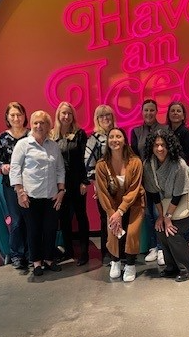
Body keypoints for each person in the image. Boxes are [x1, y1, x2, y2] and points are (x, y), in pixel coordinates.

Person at [142, 129, 189, 282]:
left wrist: (167, 217)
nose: (160, 149)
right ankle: (172, 267)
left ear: (170, 146)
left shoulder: (179, 165)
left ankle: (188, 269)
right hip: (170, 205)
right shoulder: (148, 165)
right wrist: (161, 217)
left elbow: (178, 194)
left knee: (173, 231)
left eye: (163, 145)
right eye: (156, 145)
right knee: (161, 230)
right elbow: (154, 194)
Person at [10, 110, 66, 277]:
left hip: (51, 196)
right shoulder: (23, 145)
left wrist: (62, 190)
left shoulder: (53, 146)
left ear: (49, 126)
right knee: (33, 230)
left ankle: (49, 258)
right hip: (30, 197)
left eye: (43, 123)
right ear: (31, 124)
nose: (39, 126)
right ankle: (36, 262)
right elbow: (15, 169)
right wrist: (20, 192)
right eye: (36, 123)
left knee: (50, 229)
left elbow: (60, 169)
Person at [94, 128, 145, 282]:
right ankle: (115, 261)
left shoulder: (135, 162)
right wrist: (112, 213)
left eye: (118, 136)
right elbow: (102, 192)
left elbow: (134, 189)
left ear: (124, 140)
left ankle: (130, 264)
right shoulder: (101, 165)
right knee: (113, 231)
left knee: (131, 233)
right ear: (107, 141)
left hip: (135, 203)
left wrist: (121, 211)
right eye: (111, 137)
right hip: (113, 205)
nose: (115, 140)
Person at [51, 101, 90, 266]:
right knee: (64, 218)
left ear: (73, 116)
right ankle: (68, 251)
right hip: (59, 185)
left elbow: (85, 159)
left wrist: (84, 181)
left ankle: (84, 252)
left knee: (81, 216)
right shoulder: (52, 135)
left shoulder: (80, 134)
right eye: (63, 113)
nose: (66, 116)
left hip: (77, 182)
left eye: (69, 113)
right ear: (58, 115)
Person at [131, 99, 167, 266]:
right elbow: (133, 157)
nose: (149, 113)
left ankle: (161, 248)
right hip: (143, 179)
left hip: (161, 179)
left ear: (156, 111)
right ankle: (153, 246)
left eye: (152, 110)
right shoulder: (136, 131)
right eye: (146, 110)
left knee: (158, 212)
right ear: (142, 111)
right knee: (147, 214)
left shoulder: (165, 129)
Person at [0, 101, 30, 270]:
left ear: (24, 116)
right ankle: (17, 254)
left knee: (30, 219)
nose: (16, 118)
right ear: (7, 118)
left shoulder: (31, 135)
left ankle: (32, 253)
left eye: (19, 114)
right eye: (12, 115)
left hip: (31, 185)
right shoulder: (2, 138)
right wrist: (3, 167)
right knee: (16, 220)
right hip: (10, 185)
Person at [85, 104, 117, 264]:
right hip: (104, 187)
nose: (105, 118)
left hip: (120, 186)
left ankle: (120, 252)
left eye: (108, 115)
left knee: (119, 218)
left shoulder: (117, 135)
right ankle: (107, 253)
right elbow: (88, 164)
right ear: (97, 119)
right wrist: (98, 185)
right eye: (101, 116)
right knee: (106, 220)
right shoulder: (94, 139)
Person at [166, 101, 189, 165]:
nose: (175, 113)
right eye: (172, 111)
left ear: (183, 116)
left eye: (178, 111)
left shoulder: (187, 133)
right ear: (168, 114)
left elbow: (186, 158)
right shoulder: (165, 131)